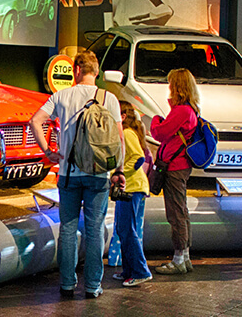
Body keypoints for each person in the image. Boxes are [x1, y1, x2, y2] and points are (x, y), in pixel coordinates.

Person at [30, 50, 125, 298]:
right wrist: (119, 170)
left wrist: (48, 151)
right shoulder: (109, 99)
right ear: (96, 72)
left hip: (68, 174)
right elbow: (119, 140)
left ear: (76, 70)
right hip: (99, 174)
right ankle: (93, 286)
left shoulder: (62, 96)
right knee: (95, 231)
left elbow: (35, 121)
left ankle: (67, 283)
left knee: (69, 230)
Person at [150, 68, 198, 275]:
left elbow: (159, 133)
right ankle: (184, 257)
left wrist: (154, 119)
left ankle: (178, 259)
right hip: (181, 166)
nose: (168, 87)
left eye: (171, 84)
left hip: (175, 167)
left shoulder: (181, 111)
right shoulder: (190, 109)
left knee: (176, 214)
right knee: (182, 212)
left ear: (177, 86)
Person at [113, 101, 153, 287]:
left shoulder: (127, 133)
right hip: (129, 187)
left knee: (127, 229)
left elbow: (138, 157)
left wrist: (119, 173)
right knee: (124, 229)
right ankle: (130, 270)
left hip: (132, 187)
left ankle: (140, 271)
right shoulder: (127, 132)